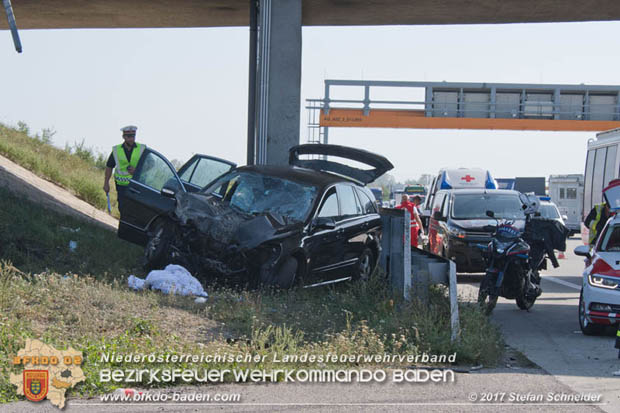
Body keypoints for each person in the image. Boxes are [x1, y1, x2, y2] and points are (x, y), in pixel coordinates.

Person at [103, 125, 146, 216]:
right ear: (123, 137)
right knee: (122, 208)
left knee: (134, 209)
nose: (131, 139)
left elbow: (150, 164)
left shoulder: (141, 148)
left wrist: (137, 170)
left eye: (133, 136)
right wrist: (106, 183)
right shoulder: (116, 150)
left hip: (136, 186)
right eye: (129, 137)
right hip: (121, 186)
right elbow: (109, 166)